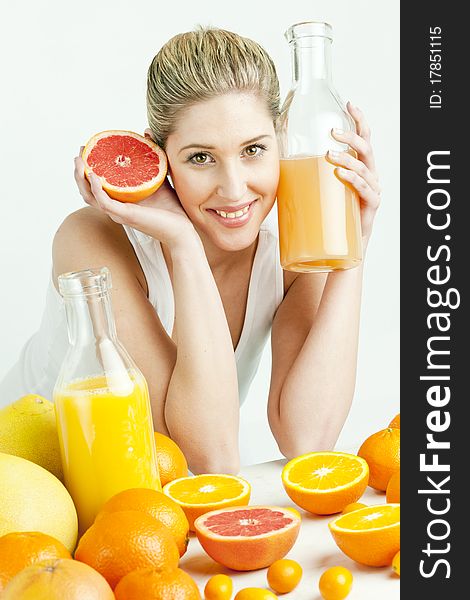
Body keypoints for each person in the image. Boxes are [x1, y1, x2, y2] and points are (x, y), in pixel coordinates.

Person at [0, 26, 381, 474]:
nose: (234, 189)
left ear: (282, 139)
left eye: (254, 150)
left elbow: (307, 438)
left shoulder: (290, 256)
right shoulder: (92, 241)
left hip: (138, 507)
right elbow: (205, 456)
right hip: (26, 479)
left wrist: (352, 245)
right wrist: (183, 244)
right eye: (201, 157)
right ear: (157, 156)